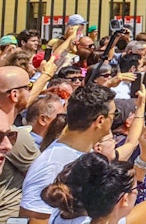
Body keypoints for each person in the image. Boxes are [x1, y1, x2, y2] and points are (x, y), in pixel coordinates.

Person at [20, 82, 115, 224]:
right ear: (100, 120)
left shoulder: (84, 152)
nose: (115, 119)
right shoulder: (51, 164)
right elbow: (33, 218)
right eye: (114, 114)